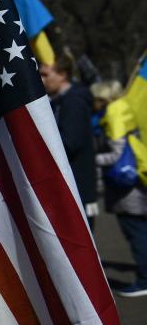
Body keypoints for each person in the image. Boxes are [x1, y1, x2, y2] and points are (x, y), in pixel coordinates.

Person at [95, 86, 147, 297]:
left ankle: (144, 280)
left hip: (127, 188)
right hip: (135, 182)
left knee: (136, 233)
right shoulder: (125, 108)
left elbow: (116, 153)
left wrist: (94, 159)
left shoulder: (114, 112)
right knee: (140, 230)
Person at [40, 57, 99, 223]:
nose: (41, 80)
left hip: (77, 188)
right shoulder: (57, 102)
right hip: (66, 188)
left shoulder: (74, 102)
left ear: (62, 75)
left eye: (45, 74)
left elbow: (69, 143)